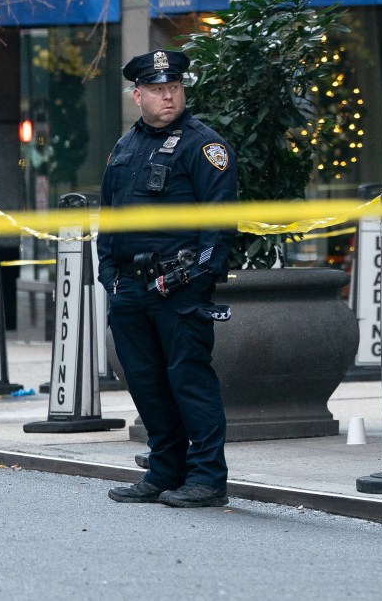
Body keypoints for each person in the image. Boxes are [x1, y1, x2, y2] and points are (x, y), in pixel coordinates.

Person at [96, 50, 239, 508]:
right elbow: (109, 215)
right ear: (138, 95)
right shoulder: (125, 146)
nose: (167, 96)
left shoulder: (205, 147)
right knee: (146, 383)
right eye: (157, 90)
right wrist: (108, 275)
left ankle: (207, 478)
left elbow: (220, 224)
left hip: (179, 288)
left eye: (174, 88)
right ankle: (164, 472)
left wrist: (198, 279)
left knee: (189, 381)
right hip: (130, 289)